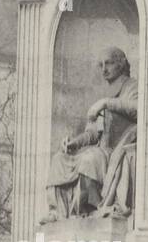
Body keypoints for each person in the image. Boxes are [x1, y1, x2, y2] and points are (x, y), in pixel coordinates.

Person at [44, 47, 138, 220]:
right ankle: (57, 211)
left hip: (116, 148)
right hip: (99, 147)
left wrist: (106, 103)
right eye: (101, 65)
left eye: (108, 63)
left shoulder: (132, 86)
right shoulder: (103, 93)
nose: (104, 69)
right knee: (59, 159)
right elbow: (93, 132)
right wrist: (74, 142)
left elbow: (137, 110)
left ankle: (89, 208)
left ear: (121, 63)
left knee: (90, 159)